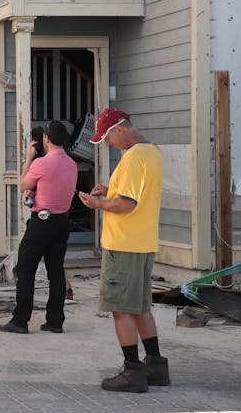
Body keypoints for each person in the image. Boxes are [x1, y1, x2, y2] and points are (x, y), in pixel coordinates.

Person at [78, 108, 169, 393]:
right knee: (141, 307)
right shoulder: (151, 152)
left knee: (121, 309)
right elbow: (136, 195)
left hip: (123, 244)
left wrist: (97, 204)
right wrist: (110, 190)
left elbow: (127, 205)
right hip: (143, 242)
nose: (106, 143)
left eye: (106, 137)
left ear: (119, 129)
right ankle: (156, 366)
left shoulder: (131, 158)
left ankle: (132, 371)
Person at [0, 120, 78, 334]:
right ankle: (55, 321)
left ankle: (20, 321)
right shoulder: (72, 164)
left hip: (42, 221)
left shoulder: (41, 163)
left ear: (46, 139)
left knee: (25, 269)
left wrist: (28, 159)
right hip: (62, 222)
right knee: (56, 271)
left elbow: (24, 184)